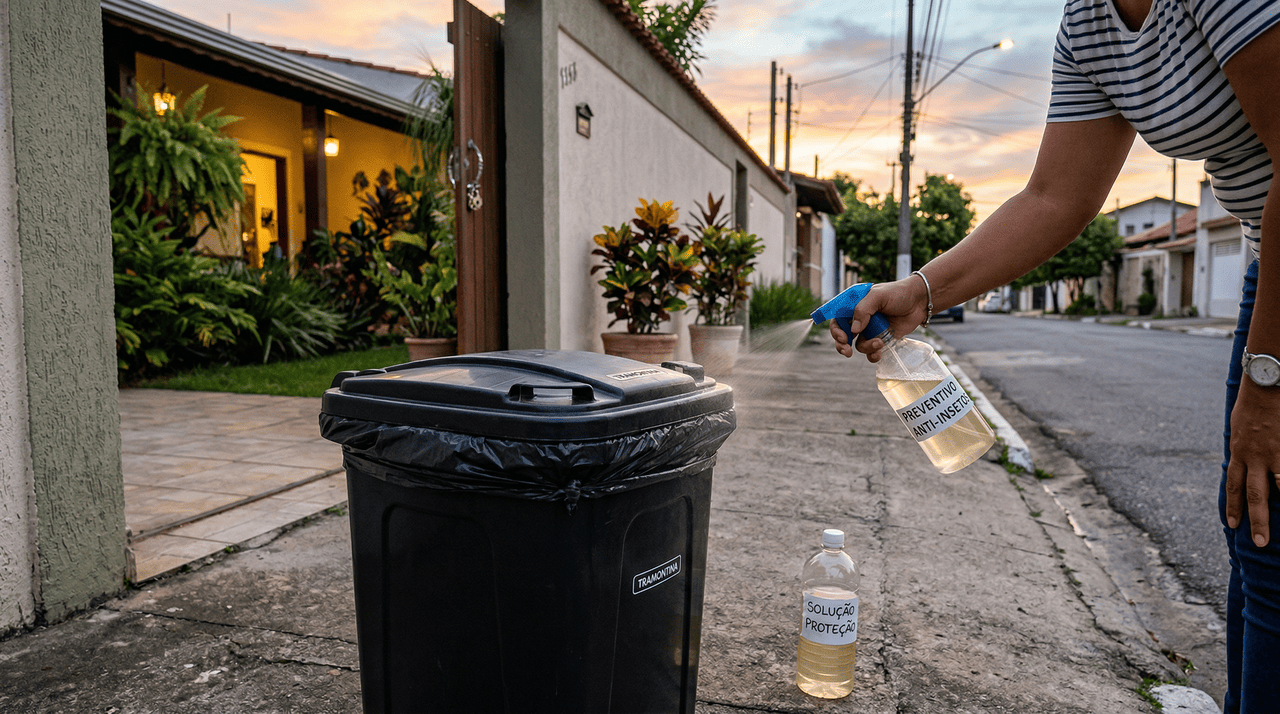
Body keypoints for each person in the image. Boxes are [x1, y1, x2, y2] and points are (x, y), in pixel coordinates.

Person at [830, 1, 1280, 710]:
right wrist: (921, 291)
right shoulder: (1089, 24)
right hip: (1268, 262)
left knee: (1273, 555)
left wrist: (1268, 377)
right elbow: (1054, 196)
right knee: (1255, 544)